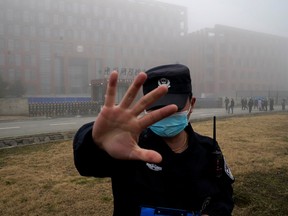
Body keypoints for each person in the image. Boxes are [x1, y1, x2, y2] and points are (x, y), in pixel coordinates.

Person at [73, 64, 234, 216]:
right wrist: (96, 142)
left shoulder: (208, 149)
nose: (165, 113)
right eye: (157, 106)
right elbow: (87, 165)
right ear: (146, 108)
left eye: (174, 105)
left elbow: (224, 196)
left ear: (192, 103)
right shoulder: (130, 148)